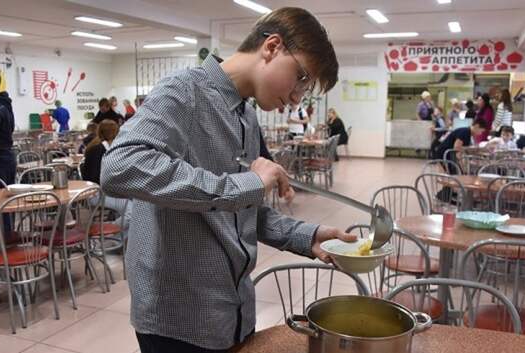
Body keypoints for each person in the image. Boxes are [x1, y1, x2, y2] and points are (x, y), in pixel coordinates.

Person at [101, 7, 354, 352]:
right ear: (272, 47)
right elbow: (119, 166)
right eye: (300, 78)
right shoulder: (183, 91)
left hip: (231, 311)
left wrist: (304, 237)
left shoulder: (246, 116)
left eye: (306, 90)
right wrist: (248, 184)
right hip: (179, 321)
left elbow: (236, 208)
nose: (297, 97)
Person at [80, 120, 132, 240]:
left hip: (104, 191)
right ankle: (109, 237)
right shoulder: (97, 150)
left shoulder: (103, 148)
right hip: (96, 194)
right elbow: (95, 178)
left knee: (137, 205)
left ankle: (118, 240)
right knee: (131, 211)